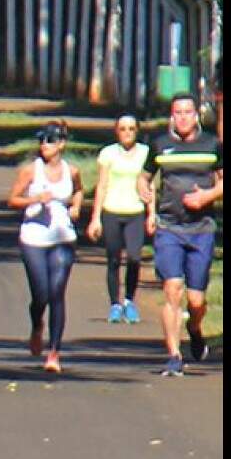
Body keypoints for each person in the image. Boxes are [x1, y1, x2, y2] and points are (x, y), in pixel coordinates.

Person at [138, 92, 223, 376]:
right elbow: (145, 176)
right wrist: (143, 191)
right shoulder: (160, 145)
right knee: (171, 289)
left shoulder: (212, 144)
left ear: (196, 115)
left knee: (196, 301)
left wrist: (207, 196)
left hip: (201, 229)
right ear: (171, 116)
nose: (183, 117)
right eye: (178, 113)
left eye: (188, 112)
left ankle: (195, 328)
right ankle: (174, 356)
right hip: (169, 227)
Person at [7, 121, 83, 373]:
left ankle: (54, 353)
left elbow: (79, 191)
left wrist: (76, 207)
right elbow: (12, 200)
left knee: (57, 292)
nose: (44, 146)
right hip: (34, 238)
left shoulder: (71, 171)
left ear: (61, 144)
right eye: (41, 141)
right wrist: (35, 199)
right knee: (41, 294)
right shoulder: (31, 171)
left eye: (50, 141)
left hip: (63, 238)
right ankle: (37, 322)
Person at [86, 113, 153, 324]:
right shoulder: (108, 154)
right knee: (113, 258)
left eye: (131, 129)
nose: (127, 133)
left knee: (134, 257)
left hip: (135, 211)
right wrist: (95, 217)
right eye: (123, 128)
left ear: (137, 131)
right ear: (117, 131)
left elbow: (150, 186)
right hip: (112, 210)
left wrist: (152, 213)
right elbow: (102, 185)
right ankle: (115, 303)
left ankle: (129, 301)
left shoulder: (145, 153)